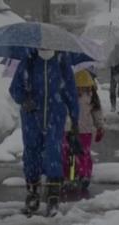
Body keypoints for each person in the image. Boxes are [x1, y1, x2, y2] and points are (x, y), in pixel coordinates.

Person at [9, 49, 79, 217]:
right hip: (31, 116)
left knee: (53, 152)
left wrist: (75, 118)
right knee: (31, 152)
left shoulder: (62, 61)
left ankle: (53, 195)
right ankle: (32, 193)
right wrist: (24, 99)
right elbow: (14, 88)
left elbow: (70, 90)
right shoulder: (29, 59)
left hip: (55, 115)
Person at [62, 70, 105, 192]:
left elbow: (97, 113)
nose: (82, 89)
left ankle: (84, 175)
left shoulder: (91, 97)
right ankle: (69, 175)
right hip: (69, 130)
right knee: (67, 154)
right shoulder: (69, 96)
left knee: (82, 154)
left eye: (85, 87)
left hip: (83, 131)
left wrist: (100, 127)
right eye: (80, 87)